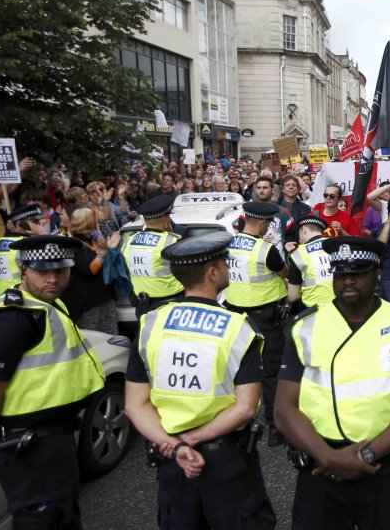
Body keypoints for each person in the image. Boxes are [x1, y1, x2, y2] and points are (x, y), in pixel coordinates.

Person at [275, 236, 390, 530]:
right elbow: (284, 408)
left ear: (377, 275)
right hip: (321, 467)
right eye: (341, 273)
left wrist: (365, 455)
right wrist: (330, 458)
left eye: (358, 273)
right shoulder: (305, 327)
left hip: (385, 467)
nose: (348, 281)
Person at [124, 232, 276, 529]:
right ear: (212, 272)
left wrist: (177, 446)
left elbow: (134, 405)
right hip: (227, 463)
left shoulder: (150, 324)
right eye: (225, 264)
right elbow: (246, 408)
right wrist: (190, 441)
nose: (228, 269)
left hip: (173, 460)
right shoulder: (238, 327)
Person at [0, 235, 106, 528]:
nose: (53, 279)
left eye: (60, 270)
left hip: (49, 441)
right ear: (23, 269)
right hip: (29, 447)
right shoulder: (13, 320)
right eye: (42, 271)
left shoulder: (42, 304)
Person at [226, 202, 290, 447]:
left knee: (237, 370)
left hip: (236, 317)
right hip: (265, 319)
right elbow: (285, 272)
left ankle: (236, 421)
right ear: (263, 223)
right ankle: (276, 429)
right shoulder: (266, 249)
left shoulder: (229, 243)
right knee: (271, 373)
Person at [120, 195, 184, 318]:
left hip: (142, 307)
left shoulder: (129, 241)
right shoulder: (172, 242)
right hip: (170, 308)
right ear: (165, 218)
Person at [0, 204, 48, 297]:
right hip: (25, 298)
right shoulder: (26, 245)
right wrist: (43, 235)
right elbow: (52, 262)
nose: (39, 225)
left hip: (1, 298)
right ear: (19, 223)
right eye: (34, 222)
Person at [286, 215, 333, 312]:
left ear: (304, 230)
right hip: (341, 306)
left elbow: (293, 296)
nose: (299, 239)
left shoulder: (297, 254)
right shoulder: (336, 244)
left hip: (314, 310)